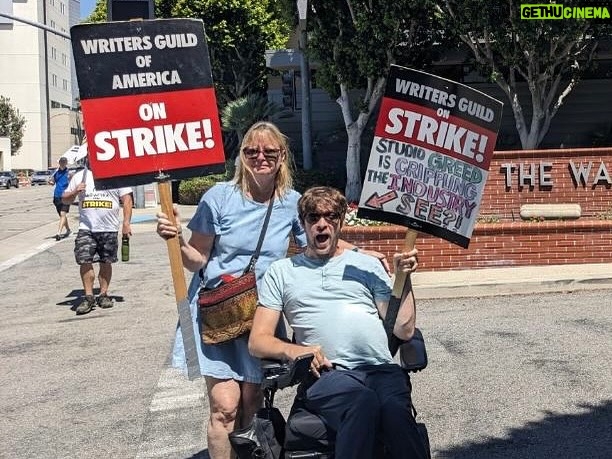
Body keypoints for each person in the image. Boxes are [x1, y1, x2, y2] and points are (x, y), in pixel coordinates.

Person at [156, 121, 388, 459]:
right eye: (252, 150)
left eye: (269, 151)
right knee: (225, 407)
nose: (260, 157)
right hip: (218, 316)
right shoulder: (217, 198)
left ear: (282, 157)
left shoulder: (291, 202)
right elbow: (196, 260)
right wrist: (176, 239)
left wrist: (361, 253)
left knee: (250, 406)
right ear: (242, 156)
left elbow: (318, 238)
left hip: (260, 316)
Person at [249, 186, 428, 459]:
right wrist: (297, 350)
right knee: (362, 401)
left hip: (381, 370)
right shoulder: (281, 272)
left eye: (330, 216)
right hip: (328, 375)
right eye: (313, 217)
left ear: (341, 222)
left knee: (394, 413)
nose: (322, 224)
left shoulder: (365, 265)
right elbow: (258, 341)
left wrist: (404, 279)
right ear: (303, 223)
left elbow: (403, 329)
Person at [62, 165, 133, 315]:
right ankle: (88, 296)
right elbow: (65, 199)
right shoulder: (80, 176)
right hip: (86, 228)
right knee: (84, 260)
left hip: (109, 228)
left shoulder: (116, 173)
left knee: (106, 262)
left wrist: (126, 223)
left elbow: (127, 199)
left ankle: (103, 294)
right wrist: (75, 191)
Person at [49, 156, 73, 241]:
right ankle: (68, 230)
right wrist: (50, 181)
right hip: (57, 195)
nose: (62, 163)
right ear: (59, 163)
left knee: (63, 214)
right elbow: (52, 182)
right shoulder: (56, 172)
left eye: (64, 162)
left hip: (65, 196)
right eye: (61, 162)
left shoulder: (69, 172)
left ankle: (58, 233)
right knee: (62, 215)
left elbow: (72, 183)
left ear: (66, 163)